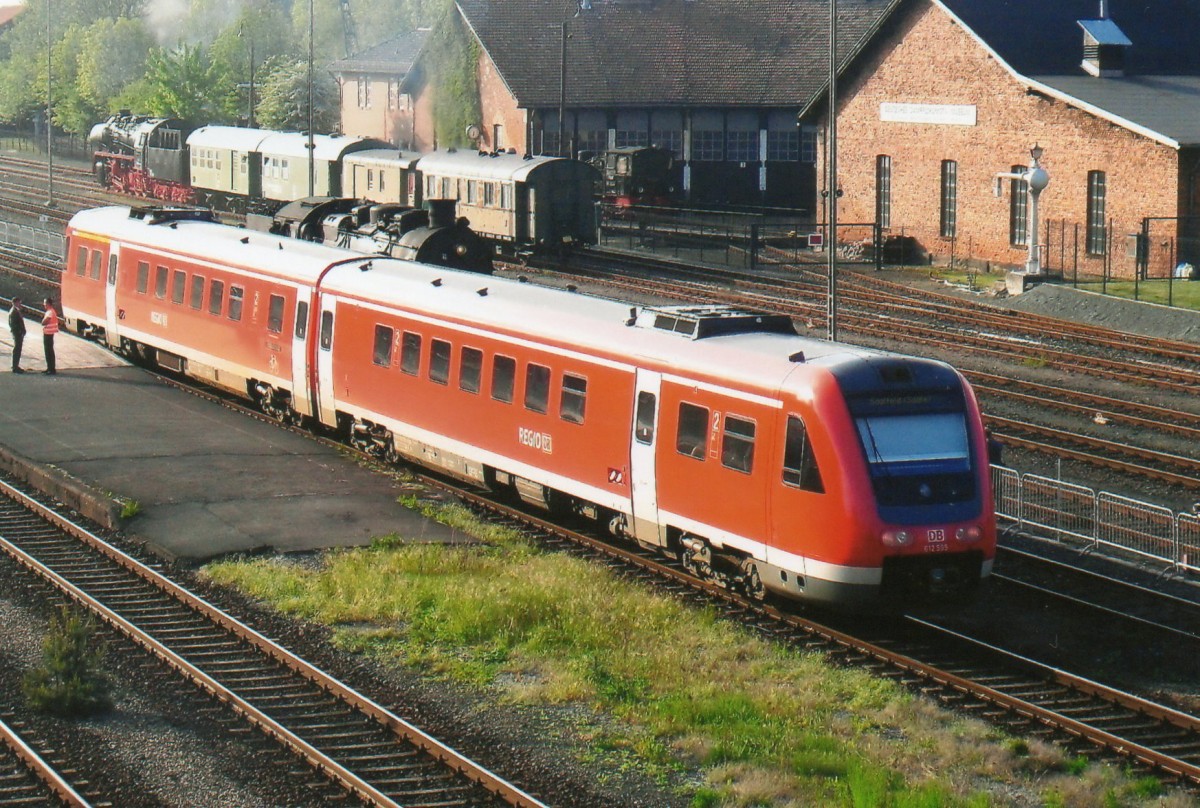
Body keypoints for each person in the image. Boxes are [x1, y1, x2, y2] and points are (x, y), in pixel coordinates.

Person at [7, 297, 25, 373]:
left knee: (18, 349)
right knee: (17, 349)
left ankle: (16, 365)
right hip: (17, 334)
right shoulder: (13, 312)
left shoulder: (16, 311)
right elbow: (13, 325)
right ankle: (15, 366)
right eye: (19, 302)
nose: (20, 304)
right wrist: (20, 332)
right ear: (15, 303)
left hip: (18, 333)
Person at [41, 297, 58, 375]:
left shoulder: (50, 312)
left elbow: (44, 322)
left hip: (48, 334)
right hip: (50, 333)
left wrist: (43, 322)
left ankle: (51, 369)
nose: (44, 304)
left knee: (48, 351)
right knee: (49, 351)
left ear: (48, 304)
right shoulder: (51, 311)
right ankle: (50, 368)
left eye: (44, 303)